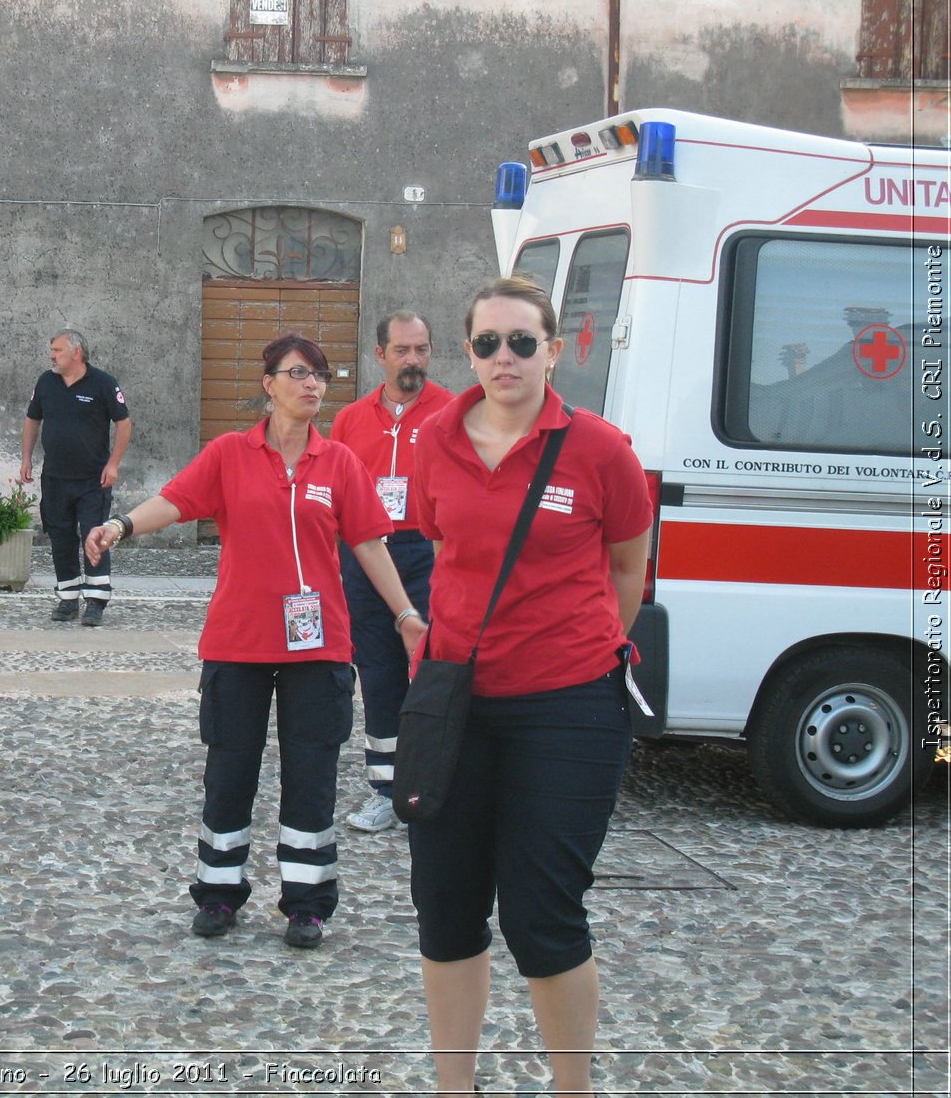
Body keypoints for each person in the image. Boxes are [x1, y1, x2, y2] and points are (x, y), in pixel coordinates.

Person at [85, 334, 426, 949]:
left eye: (320, 374)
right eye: (297, 373)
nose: (311, 384)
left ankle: (307, 902)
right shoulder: (229, 454)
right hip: (239, 642)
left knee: (312, 773)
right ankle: (218, 893)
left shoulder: (340, 462)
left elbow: (371, 543)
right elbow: (177, 500)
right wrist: (121, 524)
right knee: (230, 769)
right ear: (268, 385)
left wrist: (405, 614)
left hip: (318, 648)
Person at [406, 276, 653, 1096]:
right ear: (467, 351)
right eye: (486, 343)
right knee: (445, 908)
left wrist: (582, 647)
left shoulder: (600, 450)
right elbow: (444, 546)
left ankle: (572, 1089)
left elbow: (627, 566)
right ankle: (455, 1087)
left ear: (552, 349)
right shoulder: (435, 442)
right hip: (457, 706)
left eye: (522, 341)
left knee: (542, 916)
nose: (503, 357)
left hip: (569, 707)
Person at [329, 311, 453, 834]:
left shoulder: (454, 413)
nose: (413, 361)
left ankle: (433, 787)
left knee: (434, 670)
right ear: (379, 355)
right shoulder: (350, 421)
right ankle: (386, 789)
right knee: (377, 672)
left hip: (429, 550)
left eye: (422, 350)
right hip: (365, 555)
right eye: (402, 350)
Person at [20, 329, 131, 627]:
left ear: (76, 352)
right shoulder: (46, 382)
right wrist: (27, 458)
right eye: (51, 349)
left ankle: (95, 600)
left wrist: (114, 464)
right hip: (55, 478)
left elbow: (123, 422)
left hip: (92, 480)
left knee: (94, 535)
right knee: (60, 536)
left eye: (56, 349)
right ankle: (68, 597)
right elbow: (33, 419)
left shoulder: (103, 383)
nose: (51, 355)